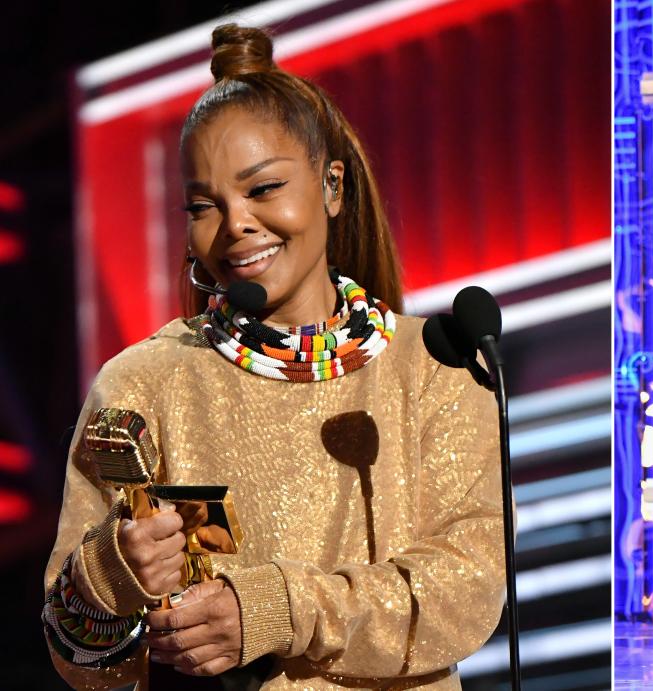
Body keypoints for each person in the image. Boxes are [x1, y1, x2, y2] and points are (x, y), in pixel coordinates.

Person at [41, 24, 504, 689]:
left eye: (262, 190)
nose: (235, 225)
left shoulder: (433, 366)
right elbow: (75, 657)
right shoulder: (145, 383)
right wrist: (113, 575)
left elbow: (469, 586)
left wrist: (276, 607)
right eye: (205, 206)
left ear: (332, 186)